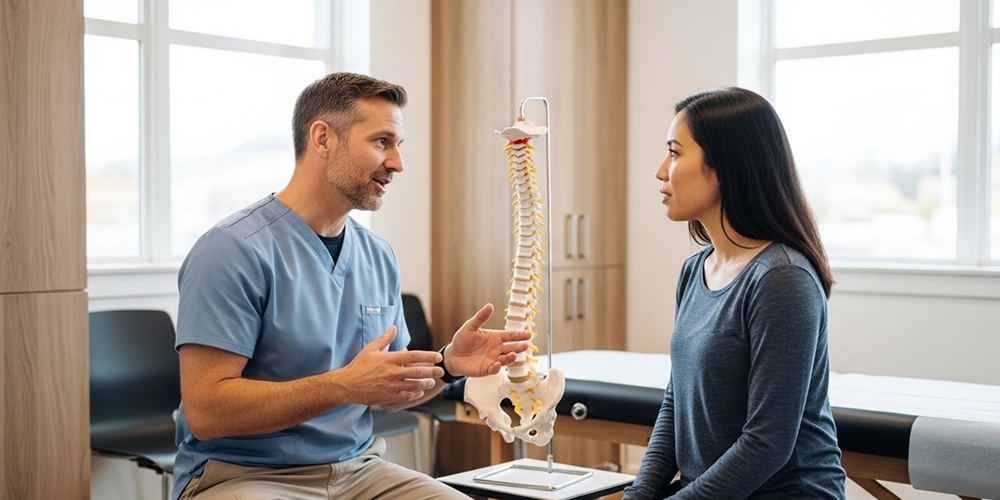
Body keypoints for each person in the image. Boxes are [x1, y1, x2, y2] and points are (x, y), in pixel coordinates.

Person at [171, 72, 531, 500]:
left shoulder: (377, 254)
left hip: (359, 471)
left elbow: (393, 396)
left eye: (397, 146)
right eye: (382, 142)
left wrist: (448, 365)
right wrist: (345, 385)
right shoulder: (231, 250)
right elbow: (206, 412)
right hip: (245, 477)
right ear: (322, 138)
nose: (397, 163)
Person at [622, 87, 846, 499]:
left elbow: (767, 444)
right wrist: (638, 494)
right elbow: (676, 404)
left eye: (674, 153)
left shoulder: (782, 279)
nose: (660, 171)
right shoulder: (694, 271)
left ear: (725, 166)